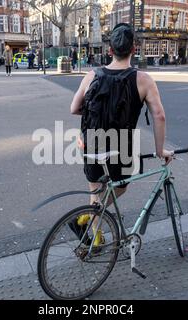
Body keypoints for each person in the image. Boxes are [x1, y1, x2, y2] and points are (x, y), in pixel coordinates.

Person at [69, 23, 173, 244]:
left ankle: (95, 236)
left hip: (91, 141)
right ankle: (87, 217)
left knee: (96, 190)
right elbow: (159, 116)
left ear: (110, 51)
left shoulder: (91, 75)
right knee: (120, 188)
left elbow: (74, 108)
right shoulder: (143, 79)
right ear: (133, 49)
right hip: (121, 146)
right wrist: (159, 150)